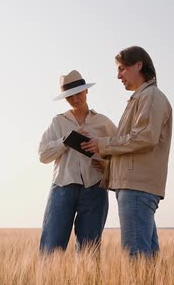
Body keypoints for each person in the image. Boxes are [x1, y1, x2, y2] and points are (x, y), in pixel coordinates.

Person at [81, 46, 173, 258]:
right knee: (145, 260)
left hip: (136, 187)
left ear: (138, 65)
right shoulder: (142, 98)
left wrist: (103, 144)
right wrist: (108, 164)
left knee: (136, 258)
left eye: (122, 69)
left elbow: (144, 137)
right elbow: (138, 144)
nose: (118, 75)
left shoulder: (150, 96)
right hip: (136, 185)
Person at [38, 70, 117, 254]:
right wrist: (67, 140)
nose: (74, 100)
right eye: (69, 97)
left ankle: (87, 283)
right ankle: (47, 283)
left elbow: (121, 152)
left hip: (95, 189)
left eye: (78, 94)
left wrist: (107, 166)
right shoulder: (58, 123)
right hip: (62, 188)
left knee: (89, 250)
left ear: (86, 91)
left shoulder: (104, 123)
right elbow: (43, 155)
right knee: (51, 247)